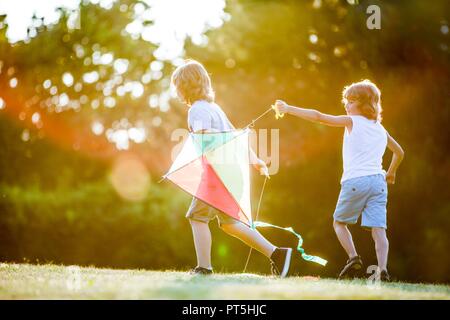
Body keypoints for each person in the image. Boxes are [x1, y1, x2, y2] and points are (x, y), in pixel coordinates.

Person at [171, 59, 292, 277]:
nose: (177, 92)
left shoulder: (197, 110)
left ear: (185, 87)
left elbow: (208, 139)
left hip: (217, 173)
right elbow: (234, 137)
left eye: (178, 87)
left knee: (196, 217)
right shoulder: (213, 108)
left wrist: (199, 142)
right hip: (230, 171)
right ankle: (277, 253)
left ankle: (204, 268)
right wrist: (254, 159)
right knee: (229, 224)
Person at [274, 79, 404, 281]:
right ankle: (383, 269)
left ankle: (353, 257)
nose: (346, 104)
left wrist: (288, 108)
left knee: (339, 223)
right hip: (378, 182)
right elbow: (399, 152)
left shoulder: (352, 121)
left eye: (351, 101)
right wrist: (391, 172)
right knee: (379, 229)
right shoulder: (380, 128)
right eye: (346, 100)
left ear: (364, 104)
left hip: (355, 181)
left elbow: (318, 117)